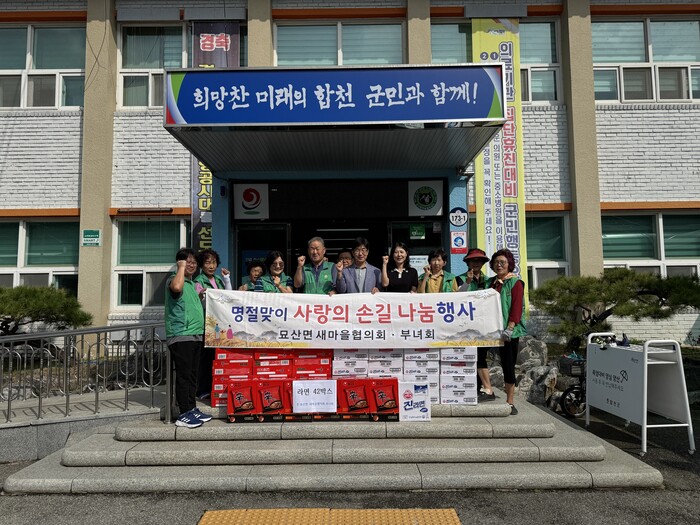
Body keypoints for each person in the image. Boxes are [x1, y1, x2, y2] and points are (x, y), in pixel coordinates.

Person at [164, 248, 212, 428]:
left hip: (195, 335)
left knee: (192, 375)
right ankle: (183, 413)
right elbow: (176, 288)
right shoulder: (175, 280)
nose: (191, 264)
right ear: (179, 263)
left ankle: (191, 408)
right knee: (184, 375)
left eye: (193, 262)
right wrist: (181, 268)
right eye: (187, 261)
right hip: (181, 335)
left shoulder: (191, 285)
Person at [482, 248, 526, 416]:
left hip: (509, 331)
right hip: (490, 329)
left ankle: (510, 401)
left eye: (503, 262)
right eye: (496, 262)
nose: (499, 265)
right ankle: (487, 389)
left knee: (508, 365)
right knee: (479, 354)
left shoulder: (515, 283)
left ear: (509, 264)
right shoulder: (490, 282)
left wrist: (511, 327)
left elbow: (516, 307)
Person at [193, 249, 231, 400]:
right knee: (206, 358)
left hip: (220, 325)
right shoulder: (198, 281)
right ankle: (203, 389)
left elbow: (228, 296)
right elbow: (199, 302)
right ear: (201, 265)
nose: (211, 266)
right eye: (207, 262)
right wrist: (202, 294)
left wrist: (227, 279)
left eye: (214, 262)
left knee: (218, 357)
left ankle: (217, 388)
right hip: (207, 326)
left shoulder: (219, 280)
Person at [457, 248, 493, 400]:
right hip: (465, 326)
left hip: (483, 325)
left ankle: (484, 388)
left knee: (481, 356)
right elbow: (455, 298)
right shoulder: (459, 279)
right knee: (466, 356)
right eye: (473, 261)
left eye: (479, 261)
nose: (476, 263)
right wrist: (468, 282)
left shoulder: (490, 281)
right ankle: (471, 387)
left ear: (483, 263)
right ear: (468, 263)